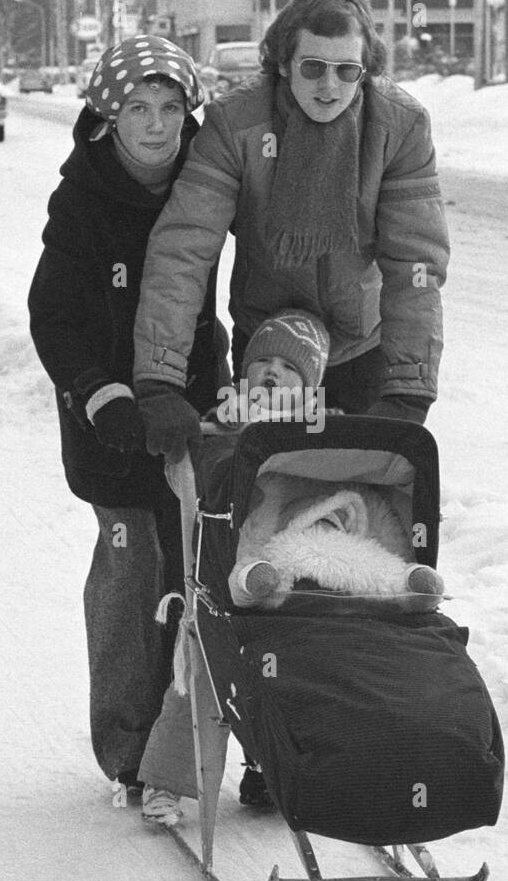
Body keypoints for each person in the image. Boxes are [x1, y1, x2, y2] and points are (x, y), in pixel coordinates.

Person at [137, 307, 442, 828]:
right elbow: (185, 479)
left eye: (290, 368)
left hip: (316, 577)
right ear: (244, 373)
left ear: (312, 387)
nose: (273, 373)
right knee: (209, 671)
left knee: (312, 679)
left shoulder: (330, 431)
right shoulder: (226, 422)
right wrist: (215, 438)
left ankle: (304, 771)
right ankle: (166, 781)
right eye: (263, 363)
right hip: (245, 574)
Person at [131, 0, 450, 463]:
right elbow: (184, 247)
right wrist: (159, 377)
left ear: (365, 71)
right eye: (313, 67)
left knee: (353, 514)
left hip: (360, 350)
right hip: (268, 355)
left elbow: (415, 261)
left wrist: (408, 388)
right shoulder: (235, 124)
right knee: (262, 505)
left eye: (347, 71)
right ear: (283, 63)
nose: (330, 86)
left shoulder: (399, 127)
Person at [28, 35, 228, 795]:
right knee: (132, 566)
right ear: (107, 118)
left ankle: (191, 737)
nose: (156, 125)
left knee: (199, 571)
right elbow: (52, 316)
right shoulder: (82, 201)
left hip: (189, 407)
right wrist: (99, 393)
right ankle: (126, 746)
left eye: (171, 107)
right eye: (137, 109)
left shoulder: (203, 183)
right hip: (108, 421)